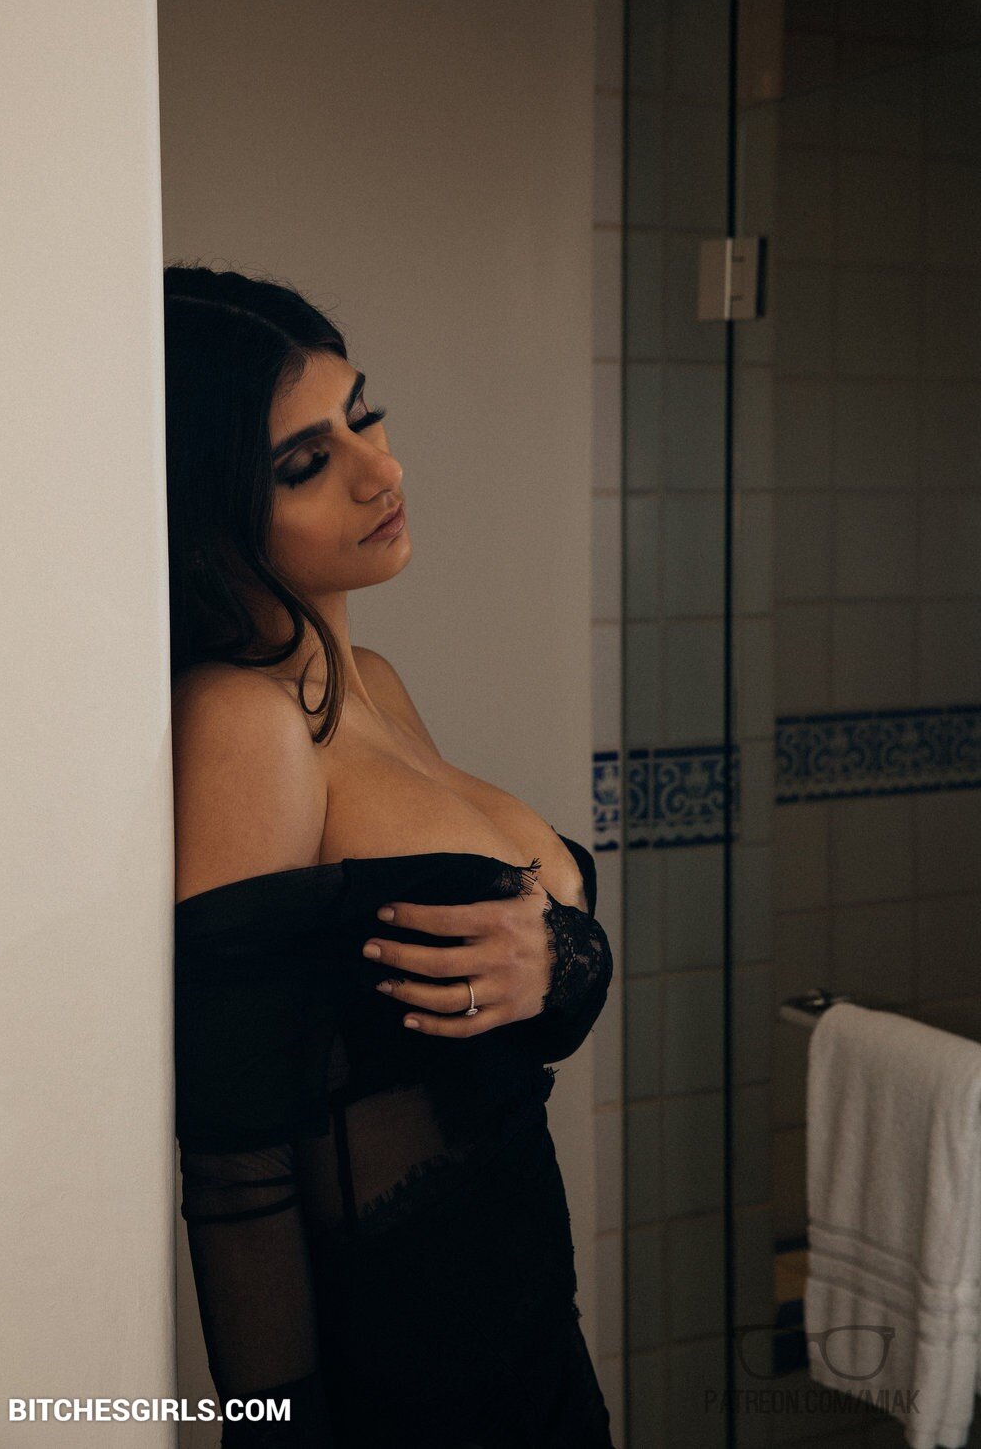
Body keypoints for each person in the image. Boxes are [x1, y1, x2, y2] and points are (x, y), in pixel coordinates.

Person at [165, 263, 615, 1447]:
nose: (380, 471)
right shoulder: (242, 721)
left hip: (526, 1334)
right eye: (304, 465)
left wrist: (565, 960)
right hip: (411, 1385)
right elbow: (237, 1164)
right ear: (206, 507)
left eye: (364, 417)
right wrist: (280, 1430)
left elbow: (506, 1024)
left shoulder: (370, 687)